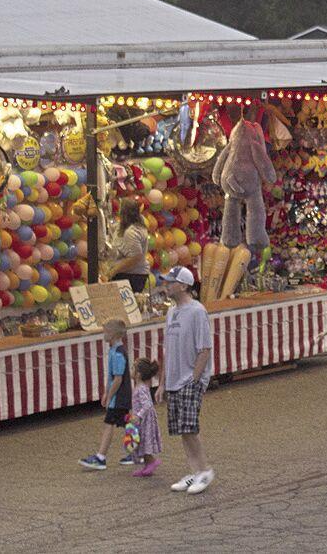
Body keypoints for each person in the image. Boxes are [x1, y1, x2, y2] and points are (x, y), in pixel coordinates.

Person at [160, 265, 215, 494]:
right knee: (182, 428)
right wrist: (162, 382)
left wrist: (195, 378)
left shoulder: (197, 311)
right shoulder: (171, 313)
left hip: (189, 379)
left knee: (190, 426)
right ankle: (194, 471)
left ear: (183, 285)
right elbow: (167, 350)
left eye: (170, 282)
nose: (166, 285)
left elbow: (204, 348)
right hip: (174, 379)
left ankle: (204, 470)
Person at [79, 319, 133, 470]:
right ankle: (136, 452)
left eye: (106, 332)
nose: (103, 334)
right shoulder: (116, 351)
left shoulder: (117, 353)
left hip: (118, 396)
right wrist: (106, 393)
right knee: (127, 423)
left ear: (113, 335)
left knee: (110, 423)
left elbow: (117, 378)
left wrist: (109, 395)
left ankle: (101, 456)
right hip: (121, 395)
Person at [106, 199, 151, 295]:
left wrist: (113, 271)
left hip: (131, 275)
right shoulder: (135, 225)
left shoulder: (131, 232)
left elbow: (135, 257)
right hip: (131, 273)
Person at [129, 358, 162, 477]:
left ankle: (152, 462)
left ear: (138, 375)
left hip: (145, 421)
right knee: (140, 442)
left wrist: (138, 416)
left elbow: (147, 404)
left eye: (133, 368)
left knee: (143, 441)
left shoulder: (141, 388)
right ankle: (147, 465)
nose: (130, 370)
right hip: (141, 420)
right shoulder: (140, 387)